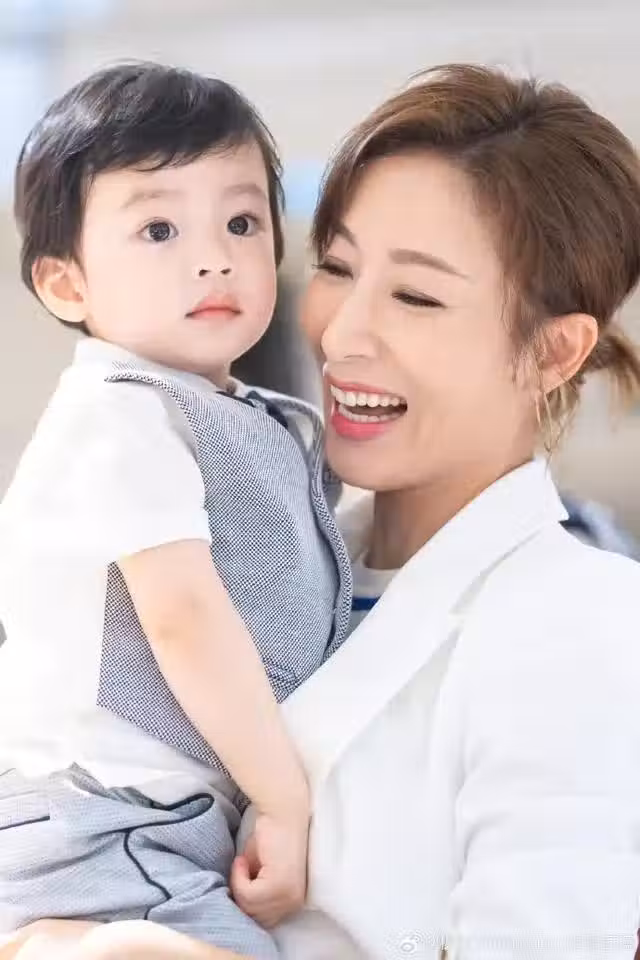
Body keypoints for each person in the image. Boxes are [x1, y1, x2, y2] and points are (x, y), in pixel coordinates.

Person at [5, 62, 640, 960]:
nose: (341, 333)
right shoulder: (266, 549)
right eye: (336, 268)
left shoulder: (584, 618)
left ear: (552, 351)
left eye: (415, 295)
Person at [0, 62, 353, 958]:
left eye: (241, 221)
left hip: (156, 820)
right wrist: (283, 799)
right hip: (104, 817)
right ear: (67, 286)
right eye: (158, 228)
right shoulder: (121, 414)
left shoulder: (236, 416)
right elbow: (183, 617)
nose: (214, 256)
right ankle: (61, 942)